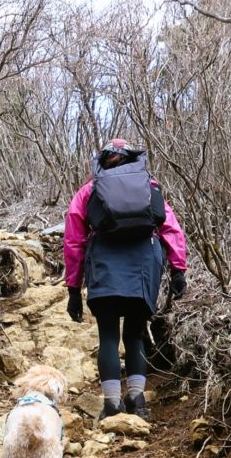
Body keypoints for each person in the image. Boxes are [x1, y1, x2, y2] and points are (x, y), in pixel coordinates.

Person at [63, 138, 187, 421]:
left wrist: (73, 288)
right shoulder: (148, 185)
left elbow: (73, 240)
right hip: (143, 263)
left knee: (108, 335)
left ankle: (111, 404)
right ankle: (137, 400)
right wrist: (178, 270)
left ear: (102, 160)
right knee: (134, 333)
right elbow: (171, 228)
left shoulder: (89, 190)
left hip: (105, 263)